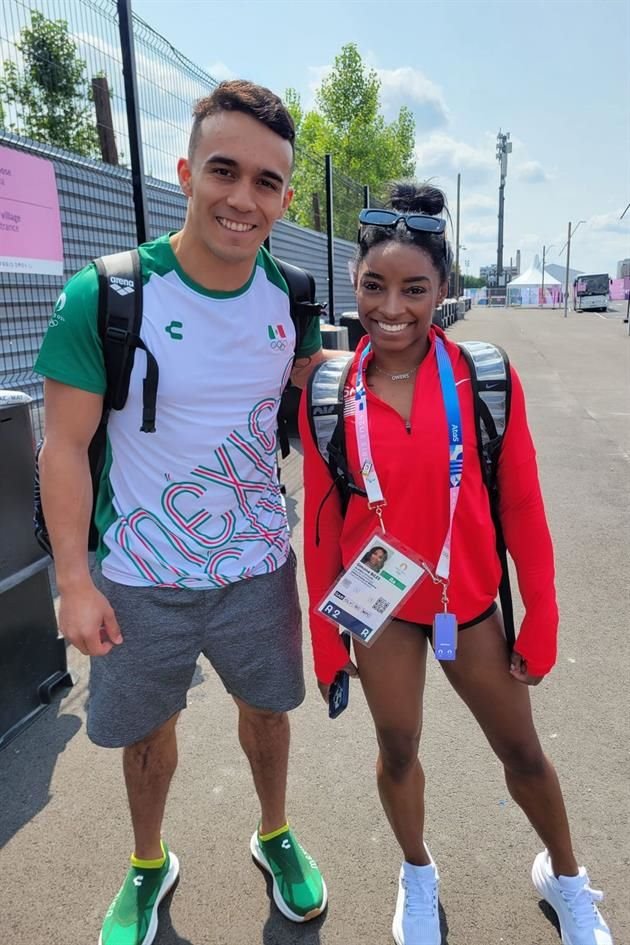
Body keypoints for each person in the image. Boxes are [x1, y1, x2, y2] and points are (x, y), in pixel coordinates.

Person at [35, 80, 330, 945]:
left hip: (259, 569)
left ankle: (273, 833)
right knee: (149, 731)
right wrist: (74, 581)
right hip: (139, 574)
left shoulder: (296, 298)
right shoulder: (107, 295)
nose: (243, 198)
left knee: (267, 712)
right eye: (224, 171)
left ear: (284, 196)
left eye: (267, 181)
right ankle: (147, 861)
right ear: (185, 173)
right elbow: (61, 448)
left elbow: (321, 420)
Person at [299, 182, 613, 945]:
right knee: (397, 748)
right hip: (379, 608)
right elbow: (319, 522)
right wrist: (323, 639)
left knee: (522, 751)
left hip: (467, 601)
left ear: (444, 289)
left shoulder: (484, 378)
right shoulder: (331, 390)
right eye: (375, 286)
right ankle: (416, 871)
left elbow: (523, 507)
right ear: (354, 285)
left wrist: (542, 614)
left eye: (414, 287)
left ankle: (565, 877)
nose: (393, 307)